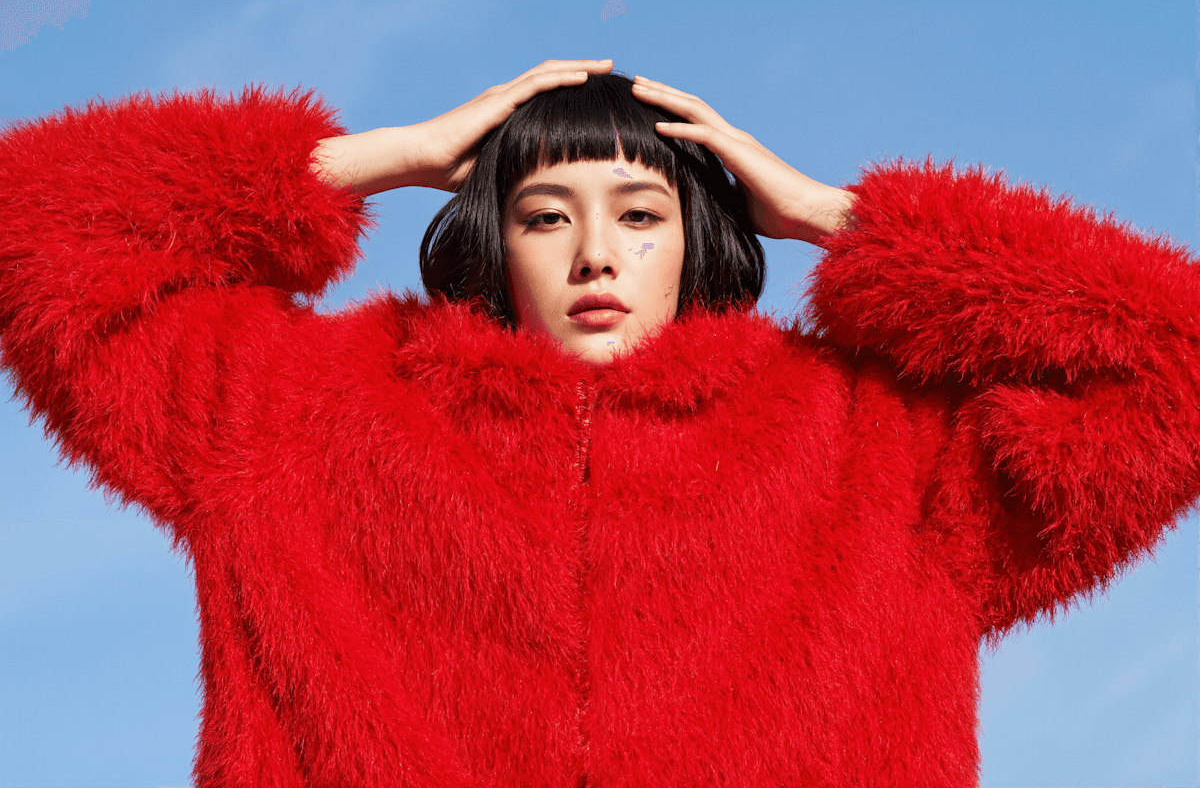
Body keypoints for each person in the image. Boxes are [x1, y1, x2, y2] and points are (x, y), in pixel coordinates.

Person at [0, 58, 1195, 787]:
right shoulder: (296, 414)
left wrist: (846, 219)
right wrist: (389, 157)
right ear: (491, 238)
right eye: (541, 214)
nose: (593, 255)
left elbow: (1173, 362)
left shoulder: (873, 446)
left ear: (701, 236)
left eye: (639, 213)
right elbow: (34, 235)